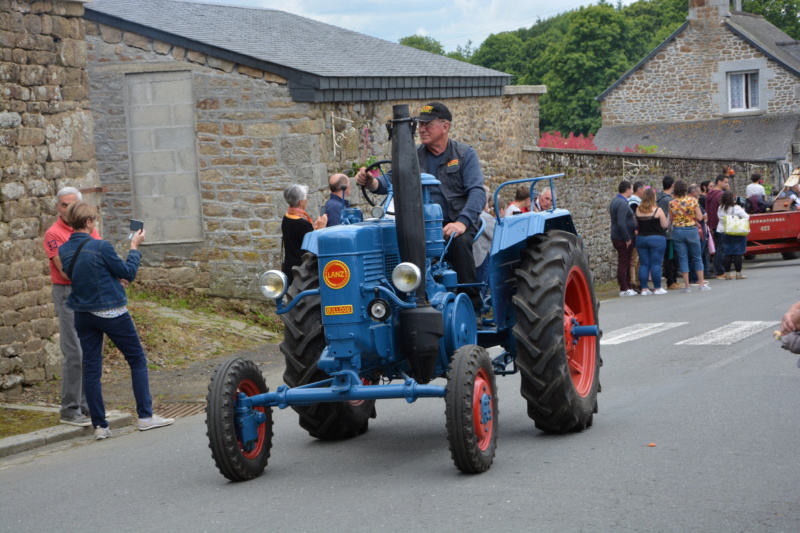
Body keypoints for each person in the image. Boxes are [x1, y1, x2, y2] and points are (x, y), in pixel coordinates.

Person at [58, 201, 174, 440]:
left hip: (82, 315)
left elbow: (78, 276)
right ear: (88, 222)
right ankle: (145, 417)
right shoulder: (101, 246)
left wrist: (112, 278)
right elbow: (128, 272)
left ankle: (100, 426)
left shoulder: (64, 250)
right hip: (111, 312)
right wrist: (134, 247)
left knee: (91, 371)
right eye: (94, 220)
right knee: (137, 360)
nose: (95, 223)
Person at [356, 102, 486, 310]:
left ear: (445, 127)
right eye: (420, 124)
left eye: (428, 124)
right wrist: (371, 182)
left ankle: (471, 304)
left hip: (456, 222)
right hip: (420, 225)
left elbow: (477, 192)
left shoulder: (464, 155)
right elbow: (389, 182)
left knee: (459, 244)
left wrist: (462, 222)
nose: (422, 129)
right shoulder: (412, 156)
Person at [43, 187, 100, 427]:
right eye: (63, 205)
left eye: (72, 205)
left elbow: (100, 256)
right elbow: (66, 272)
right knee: (74, 352)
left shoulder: (90, 228)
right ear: (58, 207)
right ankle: (69, 409)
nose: (67, 210)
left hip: (89, 291)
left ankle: (87, 406)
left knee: (89, 349)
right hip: (67, 293)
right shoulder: (53, 233)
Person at [281, 184, 327, 285]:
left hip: (289, 265)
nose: (308, 200)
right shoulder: (301, 223)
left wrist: (313, 228)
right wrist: (321, 229)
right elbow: (312, 245)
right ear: (301, 202)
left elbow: (299, 236)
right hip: (301, 269)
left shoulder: (287, 216)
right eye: (307, 197)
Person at [668, 180, 710, 293]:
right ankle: (701, 284)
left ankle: (687, 286)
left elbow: (671, 219)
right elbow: (700, 217)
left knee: (682, 258)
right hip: (691, 229)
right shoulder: (693, 201)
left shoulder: (672, 203)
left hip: (678, 230)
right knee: (697, 256)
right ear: (686, 190)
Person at [634, 188, 669, 295]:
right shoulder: (658, 210)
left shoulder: (638, 210)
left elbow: (636, 224)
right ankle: (657, 287)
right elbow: (665, 225)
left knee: (644, 264)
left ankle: (644, 288)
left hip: (641, 239)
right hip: (656, 238)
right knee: (656, 264)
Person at [610, 180, 637, 297]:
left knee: (625, 261)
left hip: (619, 236)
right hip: (622, 238)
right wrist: (627, 238)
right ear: (627, 190)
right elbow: (621, 223)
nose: (632, 191)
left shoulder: (616, 201)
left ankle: (628, 286)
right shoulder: (622, 203)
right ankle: (624, 287)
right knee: (624, 262)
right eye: (631, 189)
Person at [717, 190, 750, 280]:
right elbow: (746, 217)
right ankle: (738, 274)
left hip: (724, 231)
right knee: (738, 253)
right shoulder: (736, 208)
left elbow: (721, 219)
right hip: (737, 232)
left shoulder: (720, 208)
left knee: (727, 253)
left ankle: (727, 274)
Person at [657, 175, 681, 290]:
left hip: (667, 232)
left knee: (671, 257)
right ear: (672, 185)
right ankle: (670, 281)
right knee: (670, 258)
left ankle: (673, 280)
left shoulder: (662, 197)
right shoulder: (667, 200)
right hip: (668, 233)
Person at [474, 185, 496, 301]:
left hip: (472, 257)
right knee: (481, 286)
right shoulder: (485, 218)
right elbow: (496, 236)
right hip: (481, 257)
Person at [705, 173, 729, 279]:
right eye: (725, 182)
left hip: (711, 223)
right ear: (719, 182)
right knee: (721, 248)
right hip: (719, 224)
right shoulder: (720, 195)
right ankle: (720, 270)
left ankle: (716, 268)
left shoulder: (709, 194)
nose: (726, 184)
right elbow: (725, 210)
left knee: (718, 247)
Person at [628, 182, 646, 290]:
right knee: (634, 259)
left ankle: (638, 281)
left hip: (638, 233)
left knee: (637, 259)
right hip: (636, 233)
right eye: (643, 189)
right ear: (639, 190)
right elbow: (634, 218)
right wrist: (636, 229)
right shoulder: (634, 202)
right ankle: (633, 282)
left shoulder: (634, 201)